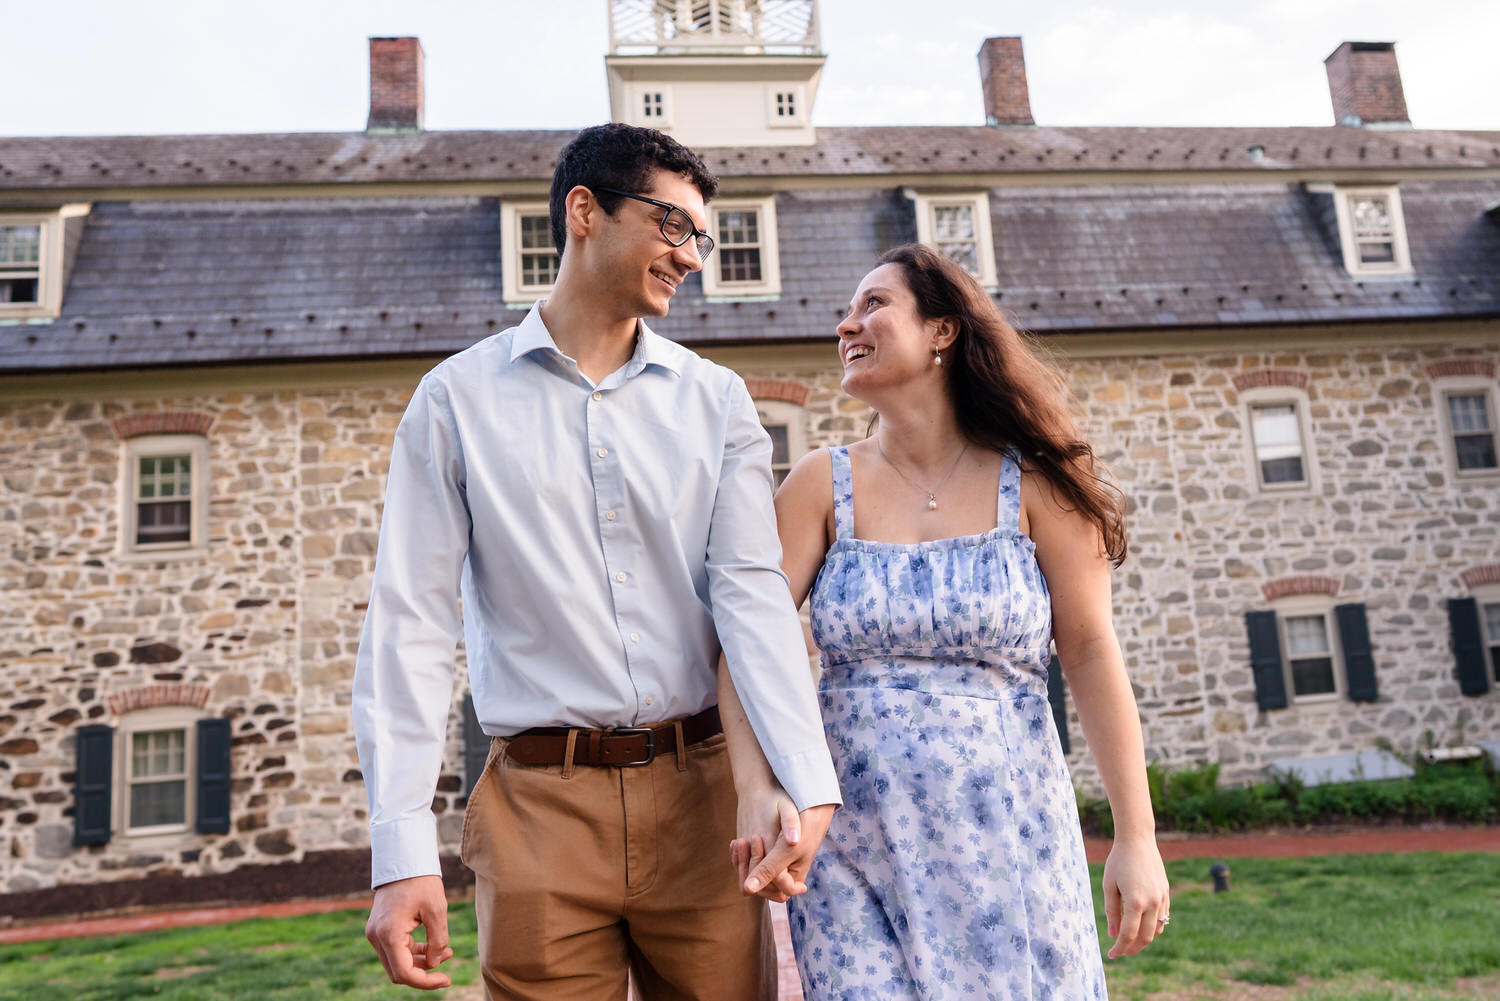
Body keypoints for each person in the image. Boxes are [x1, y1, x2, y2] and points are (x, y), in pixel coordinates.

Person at [351, 123, 840, 1001]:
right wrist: (401, 853)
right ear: (585, 211)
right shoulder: (453, 402)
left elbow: (752, 598)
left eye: (701, 233)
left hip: (703, 804)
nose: (692, 255)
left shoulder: (720, 402)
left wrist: (803, 782)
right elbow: (410, 628)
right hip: (537, 806)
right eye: (672, 225)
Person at [724, 243, 1170, 1000]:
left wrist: (1137, 836)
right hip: (856, 843)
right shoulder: (818, 485)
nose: (846, 324)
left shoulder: (1036, 483)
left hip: (1012, 833)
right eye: (848, 309)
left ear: (943, 330)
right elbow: (742, 642)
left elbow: (1092, 653)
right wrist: (756, 784)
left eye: (873, 304)